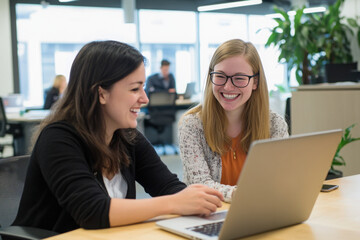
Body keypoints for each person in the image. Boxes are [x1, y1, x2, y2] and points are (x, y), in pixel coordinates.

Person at [12, 40, 223, 234]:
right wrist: (175, 203)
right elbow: (93, 211)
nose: (145, 98)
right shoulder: (58, 139)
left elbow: (169, 187)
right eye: (134, 89)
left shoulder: (127, 138)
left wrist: (196, 201)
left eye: (143, 87)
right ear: (101, 93)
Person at [178, 39, 289, 203]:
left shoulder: (274, 125)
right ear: (211, 78)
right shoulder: (192, 125)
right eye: (220, 76)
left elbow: (279, 179)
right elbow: (201, 185)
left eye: (239, 78)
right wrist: (241, 194)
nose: (228, 87)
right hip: (210, 216)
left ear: (255, 82)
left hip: (261, 212)